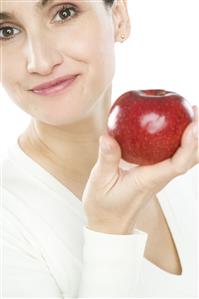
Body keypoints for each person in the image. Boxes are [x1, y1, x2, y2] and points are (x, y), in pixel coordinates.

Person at [0, 0, 198, 297]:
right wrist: (109, 228)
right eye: (6, 31)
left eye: (64, 13)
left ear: (118, 16)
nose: (40, 62)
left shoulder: (185, 156)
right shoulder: (8, 219)